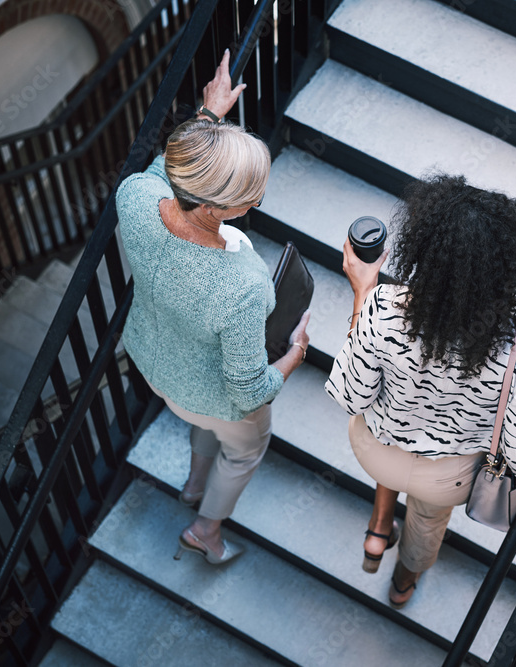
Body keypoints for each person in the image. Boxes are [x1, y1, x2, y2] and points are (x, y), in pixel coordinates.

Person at [325, 174, 516, 607]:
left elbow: (352, 397)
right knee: (427, 521)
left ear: (423, 250)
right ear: (513, 270)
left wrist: (363, 294)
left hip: (374, 451)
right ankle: (403, 583)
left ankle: (379, 524)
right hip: (447, 477)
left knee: (393, 418)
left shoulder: (383, 306)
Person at [117, 49, 309, 566]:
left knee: (203, 420)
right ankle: (205, 529)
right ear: (212, 207)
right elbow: (248, 392)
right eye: (251, 198)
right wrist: (294, 355)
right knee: (244, 448)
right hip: (215, 396)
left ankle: (193, 481)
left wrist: (207, 117)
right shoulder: (240, 287)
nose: (254, 203)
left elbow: (166, 170)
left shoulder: (135, 197)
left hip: (158, 367)